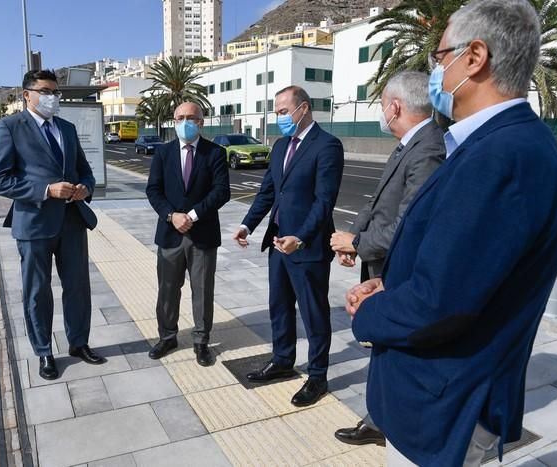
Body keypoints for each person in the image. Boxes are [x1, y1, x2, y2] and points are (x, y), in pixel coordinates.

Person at [345, 1, 557, 465]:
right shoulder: (504, 146)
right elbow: (467, 271)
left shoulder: (500, 157)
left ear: (474, 57)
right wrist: (392, 284)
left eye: (439, 55)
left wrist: (369, 313)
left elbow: (441, 305)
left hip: (444, 407)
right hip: (444, 398)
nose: (436, 70)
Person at [330, 71, 445, 447]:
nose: (382, 114)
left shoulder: (427, 149)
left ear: (394, 107)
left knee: (395, 349)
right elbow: (377, 202)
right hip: (379, 262)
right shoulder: (408, 144)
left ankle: (388, 422)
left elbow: (407, 226)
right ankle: (379, 417)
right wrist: (352, 241)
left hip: (398, 271)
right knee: (383, 350)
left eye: (381, 105)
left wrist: (359, 243)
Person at [0, 69, 105, 381]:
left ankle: (78, 343)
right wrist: (45, 191)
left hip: (72, 221)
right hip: (34, 224)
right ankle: (44, 351)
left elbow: (85, 170)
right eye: (46, 90)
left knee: (78, 287)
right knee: (38, 292)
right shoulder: (10, 127)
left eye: (56, 92)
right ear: (27, 94)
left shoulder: (66, 128)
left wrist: (85, 187)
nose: (52, 97)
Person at [233, 85, 344, 407]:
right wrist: (246, 225)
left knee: (313, 312)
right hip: (278, 242)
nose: (279, 117)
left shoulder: (327, 146)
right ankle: (282, 361)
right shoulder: (281, 146)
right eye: (277, 111)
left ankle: (317, 376)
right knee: (279, 305)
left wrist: (303, 237)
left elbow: (324, 202)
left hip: (306, 246)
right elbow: (269, 192)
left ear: (304, 108)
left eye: (283, 111)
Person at [145, 102, 230, 367]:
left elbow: (221, 192)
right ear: (173, 120)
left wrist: (191, 216)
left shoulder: (215, 153)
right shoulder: (163, 153)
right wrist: (172, 216)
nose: (185, 122)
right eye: (180, 117)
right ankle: (167, 336)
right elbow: (153, 190)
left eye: (191, 117)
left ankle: (201, 341)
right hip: (170, 233)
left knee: (202, 291)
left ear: (201, 122)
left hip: (202, 234)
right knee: (168, 290)